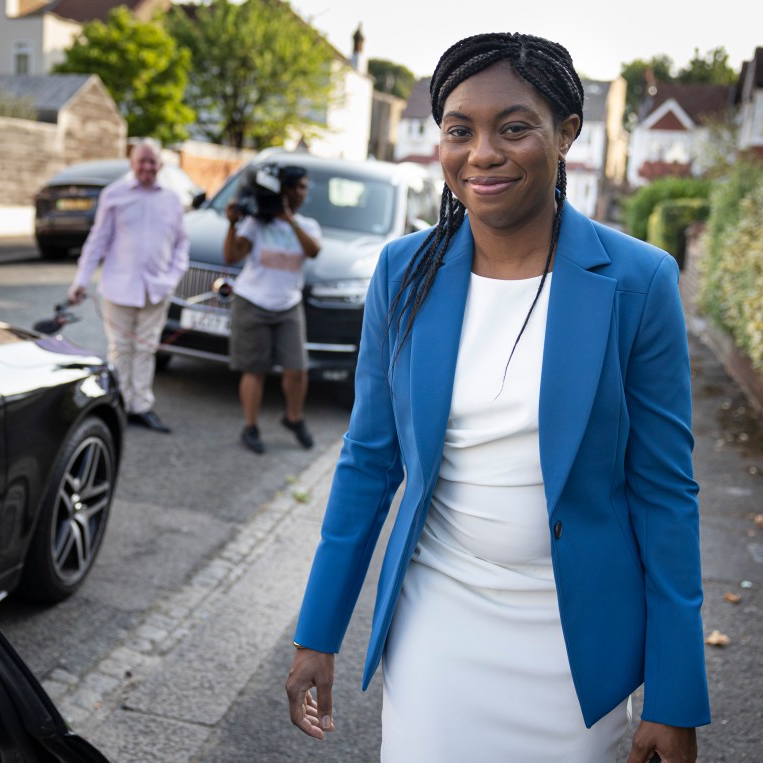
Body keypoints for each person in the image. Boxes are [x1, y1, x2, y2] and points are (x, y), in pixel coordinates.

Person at [285, 32, 710, 763]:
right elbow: (368, 461)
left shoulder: (639, 282)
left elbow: (667, 493)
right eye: (460, 129)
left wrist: (676, 692)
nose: (482, 152)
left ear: (566, 132)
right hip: (438, 625)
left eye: (514, 127)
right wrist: (316, 632)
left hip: (576, 644)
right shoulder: (402, 271)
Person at [67, 139, 188, 434]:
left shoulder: (172, 200)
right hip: (119, 287)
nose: (147, 167)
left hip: (156, 289)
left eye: (153, 161)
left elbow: (181, 243)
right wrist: (81, 281)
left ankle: (141, 406)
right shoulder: (114, 195)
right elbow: (97, 241)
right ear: (132, 163)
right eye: (142, 161)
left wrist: (172, 277)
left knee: (146, 349)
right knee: (120, 349)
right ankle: (119, 404)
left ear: (160, 165)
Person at [223, 164, 322, 455]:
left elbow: (313, 251)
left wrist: (289, 219)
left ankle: (293, 418)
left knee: (297, 370)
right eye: (300, 187)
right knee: (254, 370)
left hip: (288, 305)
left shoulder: (307, 226)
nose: (303, 193)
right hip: (252, 301)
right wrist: (232, 223)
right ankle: (250, 427)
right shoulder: (256, 223)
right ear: (285, 190)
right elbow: (231, 256)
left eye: (305, 187)